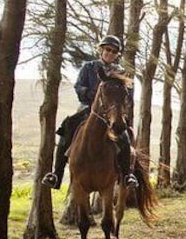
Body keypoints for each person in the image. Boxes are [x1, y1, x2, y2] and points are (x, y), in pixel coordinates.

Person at [41, 35, 138, 190]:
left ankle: (127, 176)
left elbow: (129, 94)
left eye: (114, 51)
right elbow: (79, 86)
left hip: (112, 113)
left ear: (117, 54)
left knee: (124, 137)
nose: (110, 53)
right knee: (67, 128)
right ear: (101, 50)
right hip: (88, 109)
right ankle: (56, 174)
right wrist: (92, 95)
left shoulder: (121, 73)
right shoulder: (88, 67)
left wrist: (120, 107)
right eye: (107, 49)